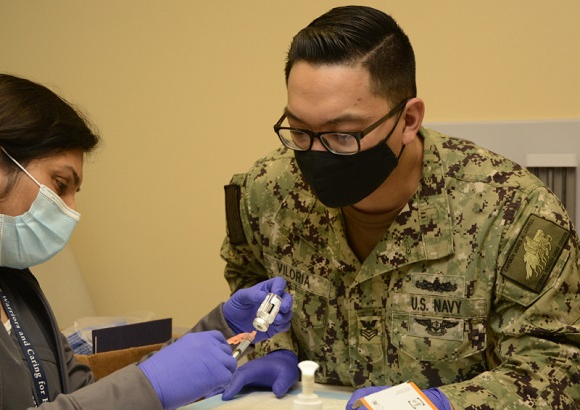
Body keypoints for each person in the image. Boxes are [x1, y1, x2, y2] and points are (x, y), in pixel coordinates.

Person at [0, 73, 293, 410]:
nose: (70, 209)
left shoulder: (11, 282)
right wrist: (151, 387)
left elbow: (84, 396)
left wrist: (224, 329)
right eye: (60, 184)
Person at [219, 5, 580, 409]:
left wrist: (440, 405)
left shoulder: (512, 212)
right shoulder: (268, 190)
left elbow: (558, 366)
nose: (316, 154)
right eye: (300, 130)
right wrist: (273, 347)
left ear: (408, 119)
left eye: (342, 134)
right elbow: (248, 272)